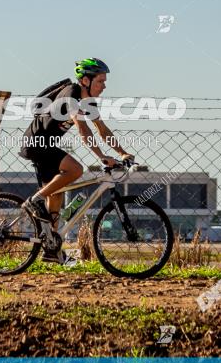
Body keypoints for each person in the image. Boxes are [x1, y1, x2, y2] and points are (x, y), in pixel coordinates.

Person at [19, 58, 135, 264]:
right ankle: (34, 201)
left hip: (46, 146)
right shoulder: (71, 93)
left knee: (55, 197)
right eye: (100, 81)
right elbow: (83, 129)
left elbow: (102, 129)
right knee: (75, 169)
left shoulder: (87, 102)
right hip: (37, 145)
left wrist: (123, 152)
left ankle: (52, 249)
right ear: (85, 80)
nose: (104, 85)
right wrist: (102, 157)